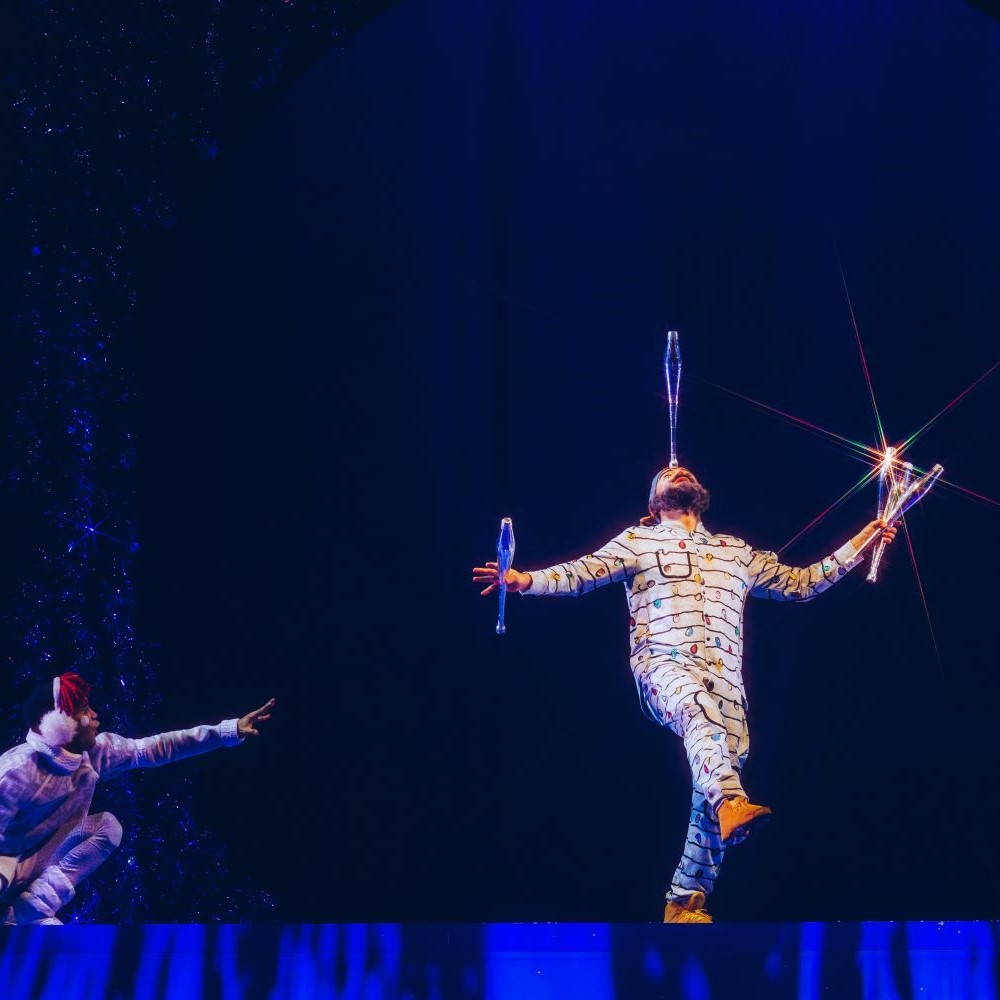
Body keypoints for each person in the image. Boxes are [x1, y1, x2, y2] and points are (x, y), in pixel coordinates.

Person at [473, 465, 896, 923]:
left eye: (684, 470)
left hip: (728, 684)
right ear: (653, 504)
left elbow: (802, 584)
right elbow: (580, 574)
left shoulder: (736, 552)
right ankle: (731, 803)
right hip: (664, 666)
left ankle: (685, 899)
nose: (678, 470)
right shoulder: (638, 542)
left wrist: (861, 544)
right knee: (696, 714)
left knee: (714, 771)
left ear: (701, 495)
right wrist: (522, 581)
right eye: (665, 474)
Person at [0, 672, 275, 924]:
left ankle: (30, 909)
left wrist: (229, 730)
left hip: (36, 866)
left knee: (107, 827)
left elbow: (157, 747)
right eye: (85, 709)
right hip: (5, 867)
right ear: (59, 725)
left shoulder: (94, 754)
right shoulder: (16, 771)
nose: (95, 715)